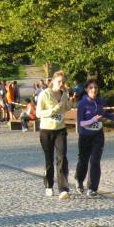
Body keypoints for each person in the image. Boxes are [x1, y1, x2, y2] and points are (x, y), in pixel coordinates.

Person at [75, 78, 114, 197]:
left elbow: (103, 113)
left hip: (98, 135)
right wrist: (92, 120)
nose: (94, 90)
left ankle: (92, 188)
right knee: (83, 161)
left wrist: (112, 117)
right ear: (86, 89)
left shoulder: (101, 101)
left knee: (95, 161)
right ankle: (79, 180)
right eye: (91, 88)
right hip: (85, 136)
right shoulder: (82, 103)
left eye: (96, 87)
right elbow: (80, 123)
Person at [37, 71, 71, 199]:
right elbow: (38, 113)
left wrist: (70, 103)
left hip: (60, 130)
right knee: (49, 160)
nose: (61, 84)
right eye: (59, 81)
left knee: (62, 158)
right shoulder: (44, 94)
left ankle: (63, 189)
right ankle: (49, 185)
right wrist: (53, 110)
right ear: (53, 81)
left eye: (63, 82)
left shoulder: (64, 94)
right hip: (46, 131)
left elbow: (66, 108)